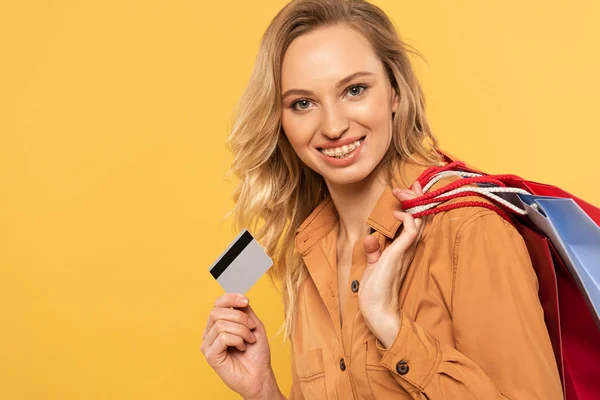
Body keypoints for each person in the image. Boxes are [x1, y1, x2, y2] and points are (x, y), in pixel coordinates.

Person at [201, 0, 564, 399]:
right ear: (280, 119)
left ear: (394, 91)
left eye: (354, 90)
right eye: (303, 103)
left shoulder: (469, 231)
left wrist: (390, 326)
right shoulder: (309, 252)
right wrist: (263, 391)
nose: (334, 126)